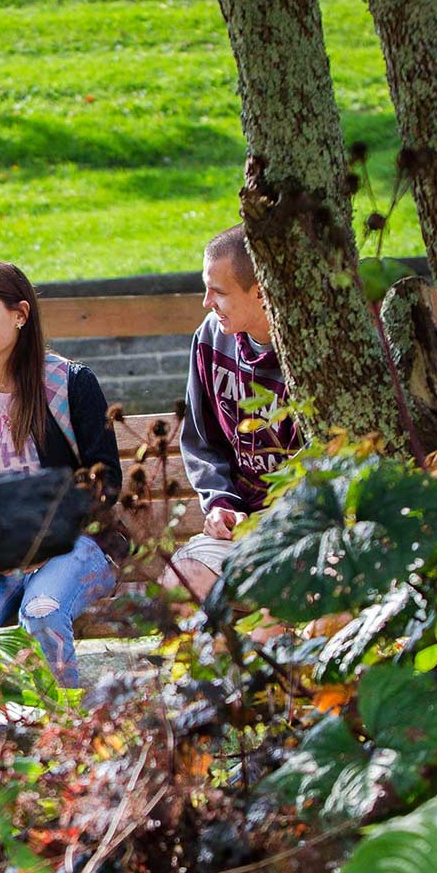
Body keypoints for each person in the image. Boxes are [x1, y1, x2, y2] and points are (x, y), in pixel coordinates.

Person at [0, 261, 121, 685]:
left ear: (20, 314)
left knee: (42, 611)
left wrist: (51, 535)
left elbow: (106, 483)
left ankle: (69, 739)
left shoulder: (70, 384)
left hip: (75, 546)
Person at [170, 225, 302, 601]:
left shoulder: (311, 354)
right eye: (206, 287)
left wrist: (270, 524)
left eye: (219, 292)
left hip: (306, 532)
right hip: (239, 530)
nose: (206, 301)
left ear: (261, 292)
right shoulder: (211, 338)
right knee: (182, 584)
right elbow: (201, 441)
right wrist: (221, 504)